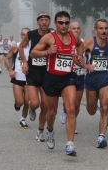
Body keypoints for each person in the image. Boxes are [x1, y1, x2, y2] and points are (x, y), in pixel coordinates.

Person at [30, 11, 84, 156]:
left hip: (68, 78)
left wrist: (79, 55)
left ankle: (70, 144)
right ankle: (50, 131)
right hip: (51, 78)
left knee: (71, 108)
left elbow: (80, 45)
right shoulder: (49, 37)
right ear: (55, 23)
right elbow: (33, 53)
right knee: (51, 112)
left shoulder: (74, 36)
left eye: (67, 22)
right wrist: (47, 52)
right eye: (61, 22)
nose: (64, 25)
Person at [82, 19, 108, 149]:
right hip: (91, 79)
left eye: (106, 28)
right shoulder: (89, 42)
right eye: (101, 28)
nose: (104, 31)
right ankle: (94, 106)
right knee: (91, 110)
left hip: (105, 77)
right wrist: (87, 66)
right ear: (96, 30)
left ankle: (102, 136)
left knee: (105, 108)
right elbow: (76, 57)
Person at [18, 12, 51, 142]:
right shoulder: (31, 34)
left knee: (45, 105)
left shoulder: (52, 35)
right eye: (41, 20)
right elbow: (21, 47)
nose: (44, 22)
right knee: (36, 103)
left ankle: (40, 131)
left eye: (46, 20)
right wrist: (25, 62)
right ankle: (32, 108)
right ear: (38, 22)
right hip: (32, 72)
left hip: (46, 72)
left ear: (49, 22)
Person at [59, 22, 89, 134]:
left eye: (78, 28)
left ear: (80, 30)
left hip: (80, 74)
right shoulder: (65, 41)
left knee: (76, 103)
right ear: (70, 30)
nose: (76, 30)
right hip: (67, 75)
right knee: (68, 101)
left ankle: (72, 121)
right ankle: (65, 110)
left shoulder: (84, 43)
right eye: (74, 28)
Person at [4, 28, 31, 129]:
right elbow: (6, 59)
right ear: (21, 36)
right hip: (18, 77)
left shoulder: (33, 47)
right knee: (20, 102)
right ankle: (16, 102)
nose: (25, 37)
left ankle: (23, 119)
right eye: (23, 35)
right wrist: (10, 70)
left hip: (29, 79)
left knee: (27, 101)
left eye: (27, 35)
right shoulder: (15, 46)